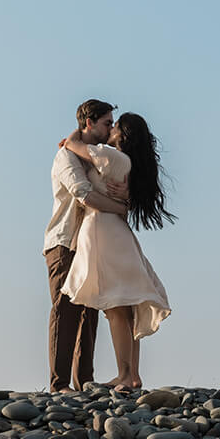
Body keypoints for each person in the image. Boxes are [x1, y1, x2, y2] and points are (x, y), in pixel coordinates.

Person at [59, 111, 174, 390]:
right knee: (127, 307)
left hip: (103, 230)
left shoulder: (112, 157)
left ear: (122, 134)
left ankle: (124, 376)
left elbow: (74, 146)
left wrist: (72, 136)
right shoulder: (129, 162)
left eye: (114, 126)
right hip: (119, 232)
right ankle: (132, 375)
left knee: (117, 309)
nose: (110, 130)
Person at [44, 99, 130, 392]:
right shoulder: (66, 158)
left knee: (90, 311)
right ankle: (59, 384)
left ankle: (84, 382)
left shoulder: (94, 154)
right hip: (65, 241)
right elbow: (85, 195)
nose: (110, 129)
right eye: (107, 123)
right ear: (89, 123)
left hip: (90, 242)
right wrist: (121, 209)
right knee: (65, 309)